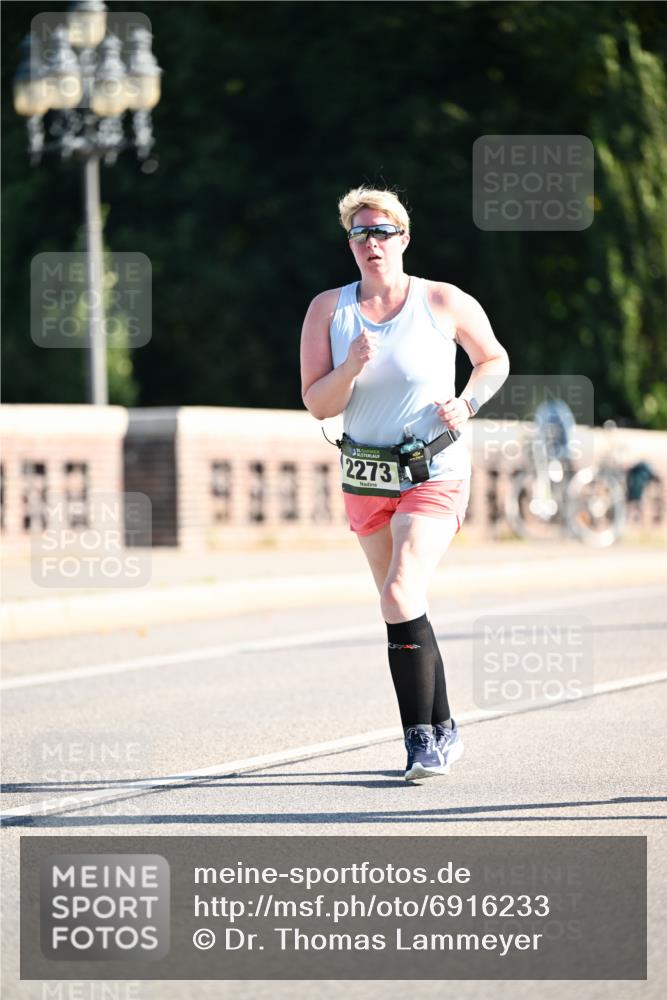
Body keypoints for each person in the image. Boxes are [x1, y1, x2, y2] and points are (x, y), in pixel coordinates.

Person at [300, 186, 509, 781]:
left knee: (398, 592)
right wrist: (350, 367)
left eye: (382, 231)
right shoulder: (328, 310)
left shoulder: (441, 300)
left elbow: (494, 359)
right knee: (403, 603)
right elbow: (317, 403)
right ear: (350, 244)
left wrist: (468, 404)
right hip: (364, 473)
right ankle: (444, 727)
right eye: (360, 233)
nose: (371, 242)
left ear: (404, 238)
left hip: (434, 470)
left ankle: (421, 740)